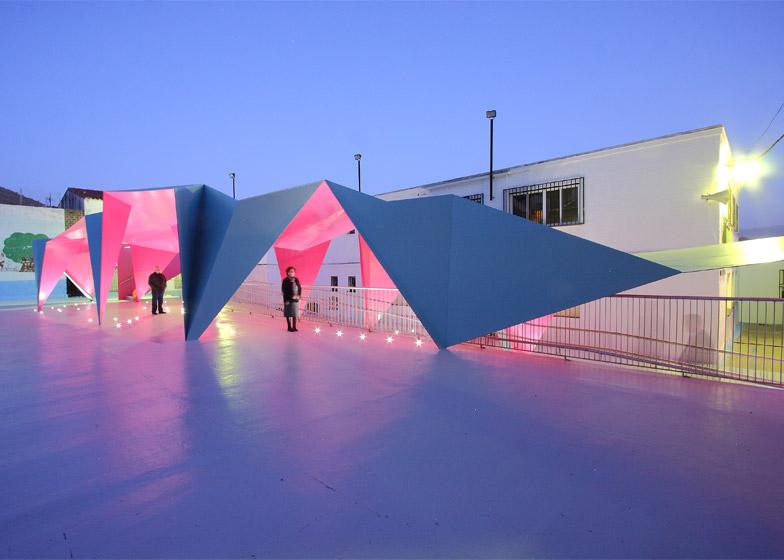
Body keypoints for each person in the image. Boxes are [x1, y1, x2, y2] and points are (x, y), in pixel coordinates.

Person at [281, 266, 301, 332]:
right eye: (290, 271)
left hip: (295, 299)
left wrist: (299, 295)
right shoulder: (285, 280)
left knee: (295, 313)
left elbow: (299, 288)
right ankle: (289, 327)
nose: (292, 273)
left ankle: (294, 327)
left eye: (293, 271)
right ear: (287, 273)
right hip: (288, 299)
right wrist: (286, 299)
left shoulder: (296, 279)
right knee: (288, 314)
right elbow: (284, 291)